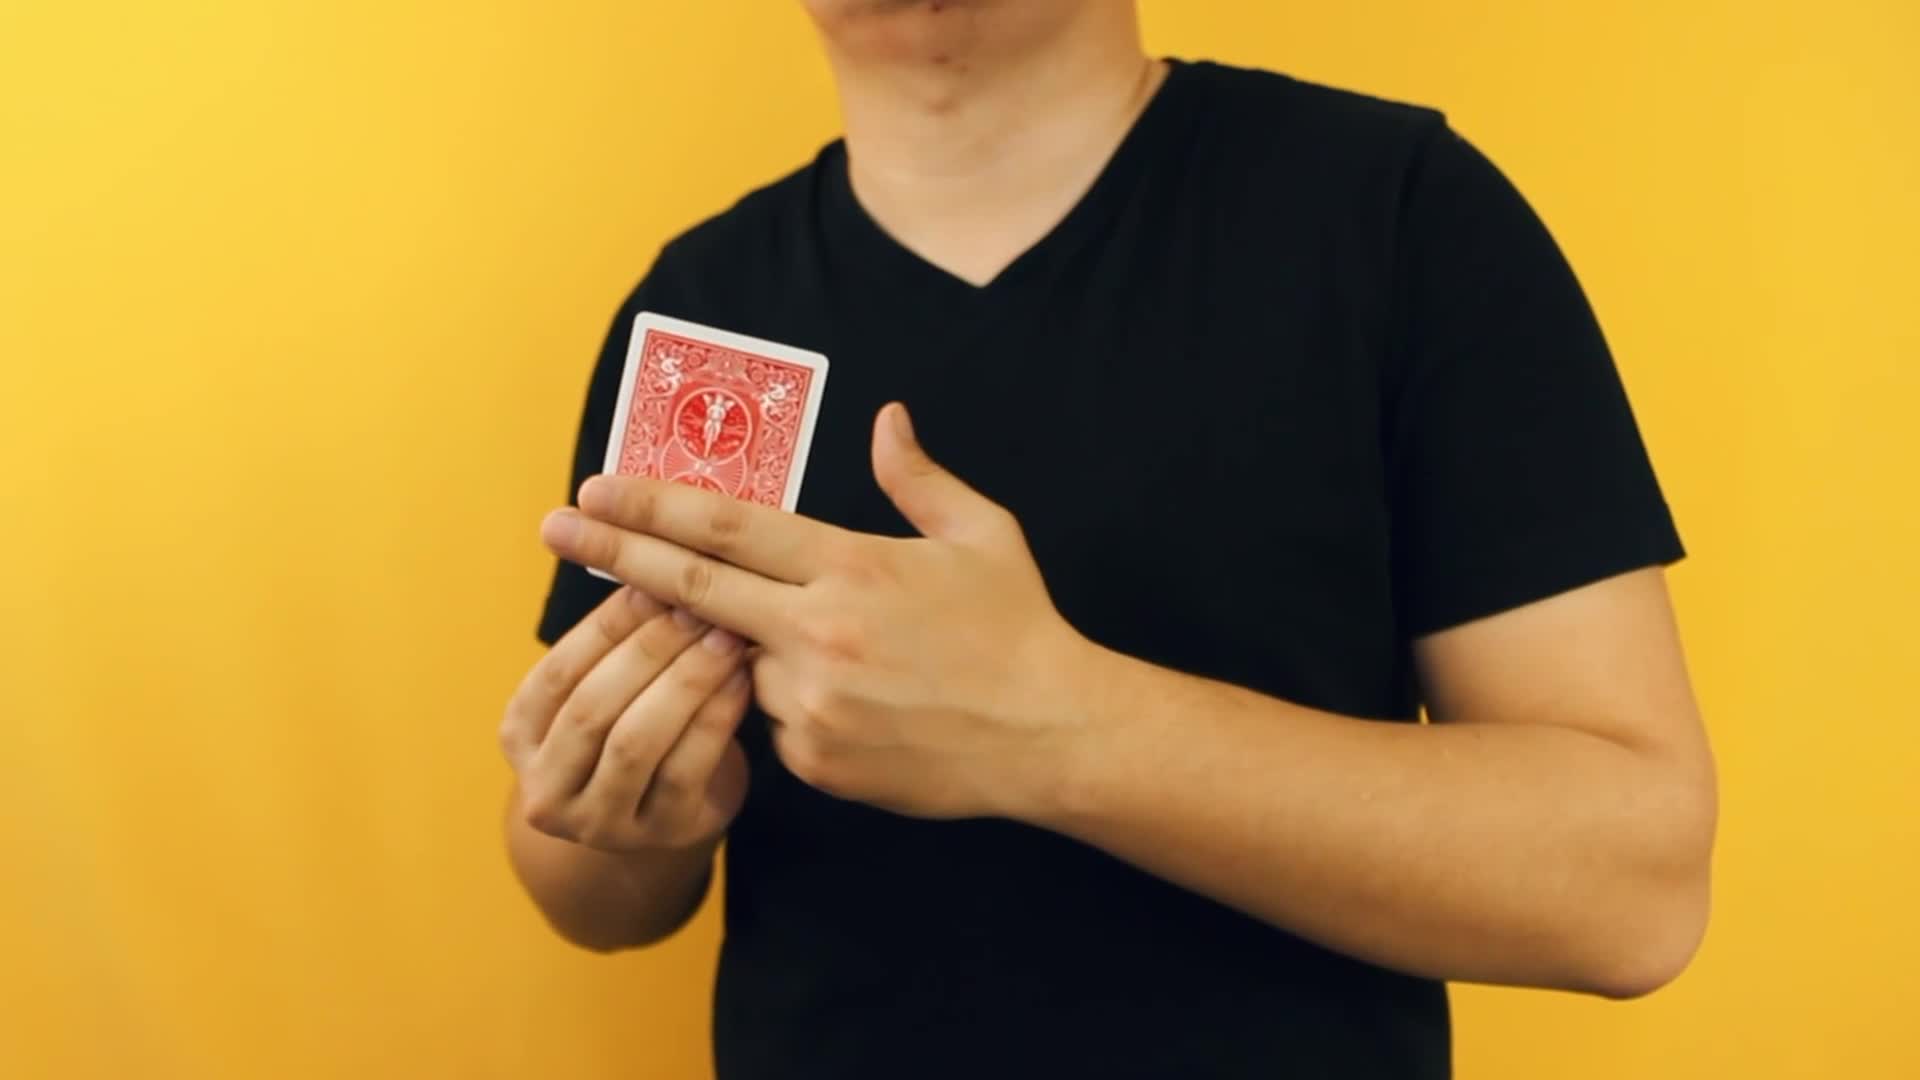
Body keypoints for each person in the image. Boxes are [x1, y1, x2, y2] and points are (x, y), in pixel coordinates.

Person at [497, 2, 1718, 1077]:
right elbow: (593, 897)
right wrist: (632, 814)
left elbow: (1633, 894)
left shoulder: (1398, 215)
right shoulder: (703, 311)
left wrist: (1060, 725)